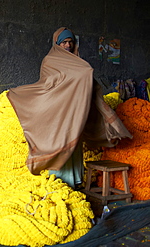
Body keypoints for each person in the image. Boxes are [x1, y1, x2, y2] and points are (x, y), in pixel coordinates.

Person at [7, 27, 132, 189]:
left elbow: (83, 81)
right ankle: (60, 182)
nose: (67, 45)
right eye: (64, 42)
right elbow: (48, 85)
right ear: (57, 44)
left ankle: (75, 182)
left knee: (73, 144)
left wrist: (84, 78)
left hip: (74, 113)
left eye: (70, 42)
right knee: (60, 143)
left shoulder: (78, 63)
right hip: (57, 111)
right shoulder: (49, 61)